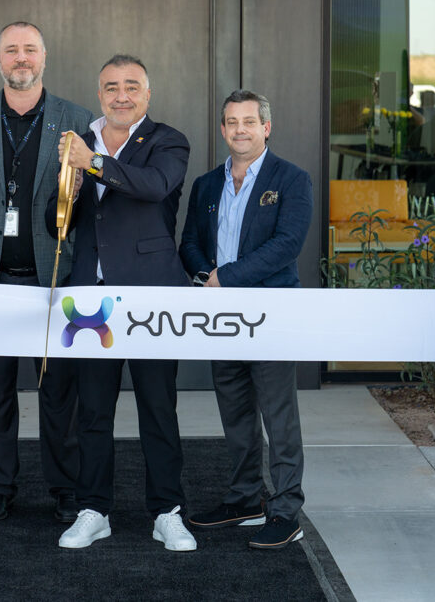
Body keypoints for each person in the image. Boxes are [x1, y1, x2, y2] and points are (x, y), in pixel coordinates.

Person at [46, 54, 196, 552]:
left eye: (132, 86)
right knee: (92, 412)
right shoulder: (80, 142)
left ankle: (167, 512)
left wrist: (90, 164)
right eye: (111, 87)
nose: (121, 95)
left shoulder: (167, 140)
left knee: (158, 409)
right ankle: (94, 509)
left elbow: (154, 187)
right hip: (92, 301)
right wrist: (69, 189)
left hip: (151, 297)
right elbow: (54, 222)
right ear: (99, 94)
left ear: (147, 94)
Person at [0, 21, 92, 524]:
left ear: (44, 58)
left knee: (61, 394)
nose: (21, 58)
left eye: (30, 49)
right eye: (12, 50)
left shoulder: (77, 119)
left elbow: (91, 204)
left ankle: (66, 487)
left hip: (55, 281)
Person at [179, 89, 313, 550]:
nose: (240, 130)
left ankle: (286, 510)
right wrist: (206, 276)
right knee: (235, 411)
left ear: (266, 128)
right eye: (232, 122)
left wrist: (226, 278)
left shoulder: (291, 179)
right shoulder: (206, 185)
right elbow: (189, 243)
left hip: (270, 313)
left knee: (278, 415)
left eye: (249, 122)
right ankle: (244, 499)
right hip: (221, 315)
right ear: (223, 129)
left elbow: (286, 245)